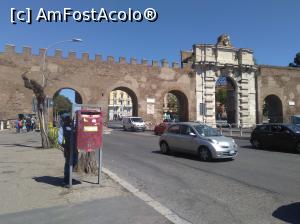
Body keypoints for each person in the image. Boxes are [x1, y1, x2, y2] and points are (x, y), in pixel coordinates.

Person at [58, 116, 77, 185]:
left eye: (69, 120)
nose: (69, 121)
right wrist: (65, 147)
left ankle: (69, 177)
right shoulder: (62, 128)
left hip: (75, 148)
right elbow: (60, 141)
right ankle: (66, 179)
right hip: (68, 148)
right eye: (67, 120)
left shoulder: (73, 127)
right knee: (68, 163)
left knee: (75, 161)